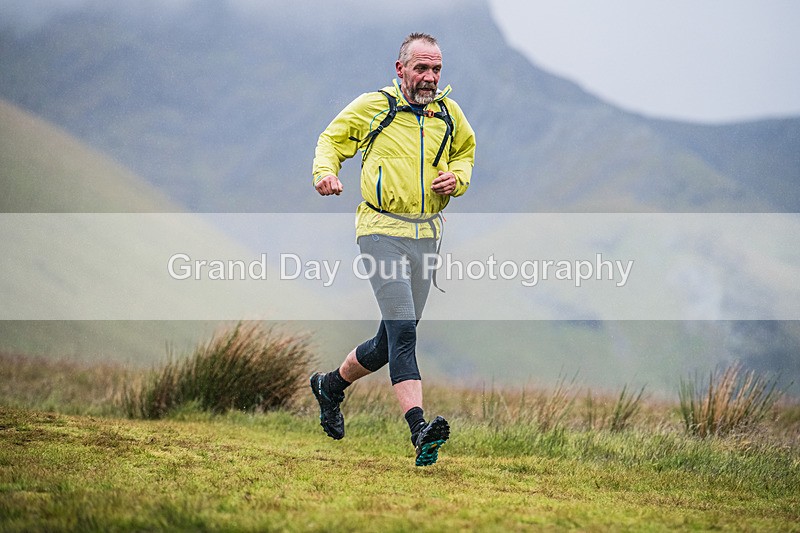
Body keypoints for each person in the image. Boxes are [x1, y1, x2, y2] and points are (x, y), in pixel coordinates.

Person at [310, 32, 476, 466]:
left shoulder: (449, 114)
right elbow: (332, 140)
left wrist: (457, 179)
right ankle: (420, 431)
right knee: (405, 331)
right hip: (380, 230)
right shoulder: (374, 107)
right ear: (400, 69)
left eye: (436, 69)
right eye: (421, 68)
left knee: (388, 344)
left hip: (427, 236)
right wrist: (325, 173)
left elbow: (466, 154)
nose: (429, 77)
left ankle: (330, 385)